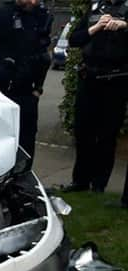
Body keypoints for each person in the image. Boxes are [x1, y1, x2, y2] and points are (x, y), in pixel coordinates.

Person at [61, 0, 128, 195]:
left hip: (116, 81)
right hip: (89, 79)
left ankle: (99, 184)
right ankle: (80, 180)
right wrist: (95, 28)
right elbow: (74, 39)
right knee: (83, 131)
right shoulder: (94, 9)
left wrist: (124, 26)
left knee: (108, 134)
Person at [0, 0, 48, 167]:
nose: (33, 2)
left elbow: (42, 58)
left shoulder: (37, 15)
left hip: (27, 96)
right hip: (1, 97)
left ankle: (25, 188)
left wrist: (37, 91)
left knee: (26, 151)